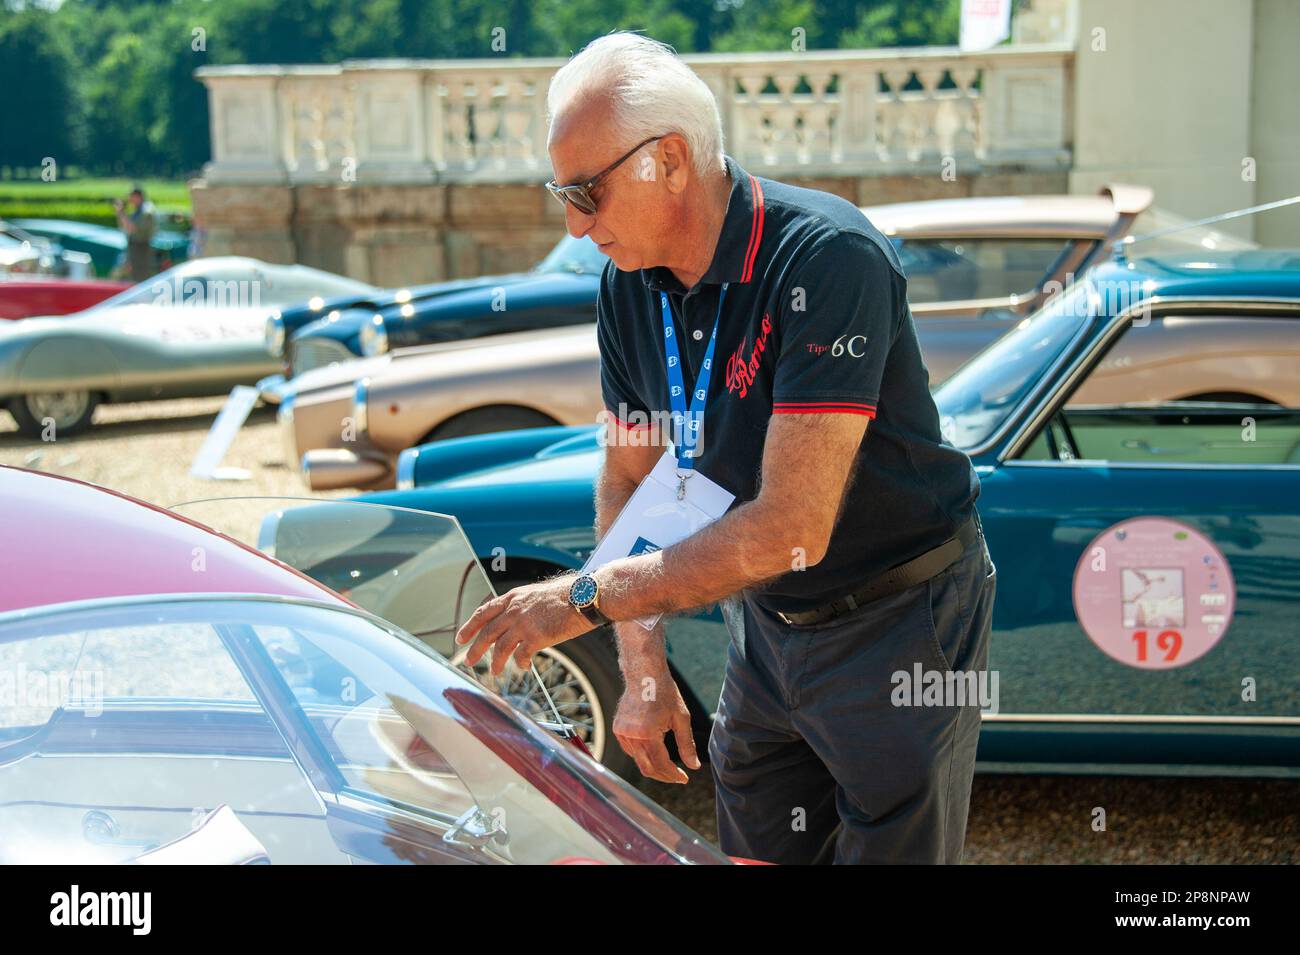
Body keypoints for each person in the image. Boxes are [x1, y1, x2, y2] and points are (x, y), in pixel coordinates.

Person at [454, 32, 996, 865]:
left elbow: (792, 527)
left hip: (897, 615)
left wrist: (585, 600)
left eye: (587, 190)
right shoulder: (625, 283)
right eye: (560, 191)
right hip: (770, 621)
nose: (573, 221)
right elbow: (632, 473)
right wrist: (640, 665)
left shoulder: (826, 257)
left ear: (670, 159)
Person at [113, 185, 156, 282]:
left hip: (141, 248)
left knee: (140, 278)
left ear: (137, 196)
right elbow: (124, 227)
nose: (129, 199)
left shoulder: (146, 210)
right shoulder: (138, 210)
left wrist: (121, 212)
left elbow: (133, 228)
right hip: (134, 247)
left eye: (131, 196)